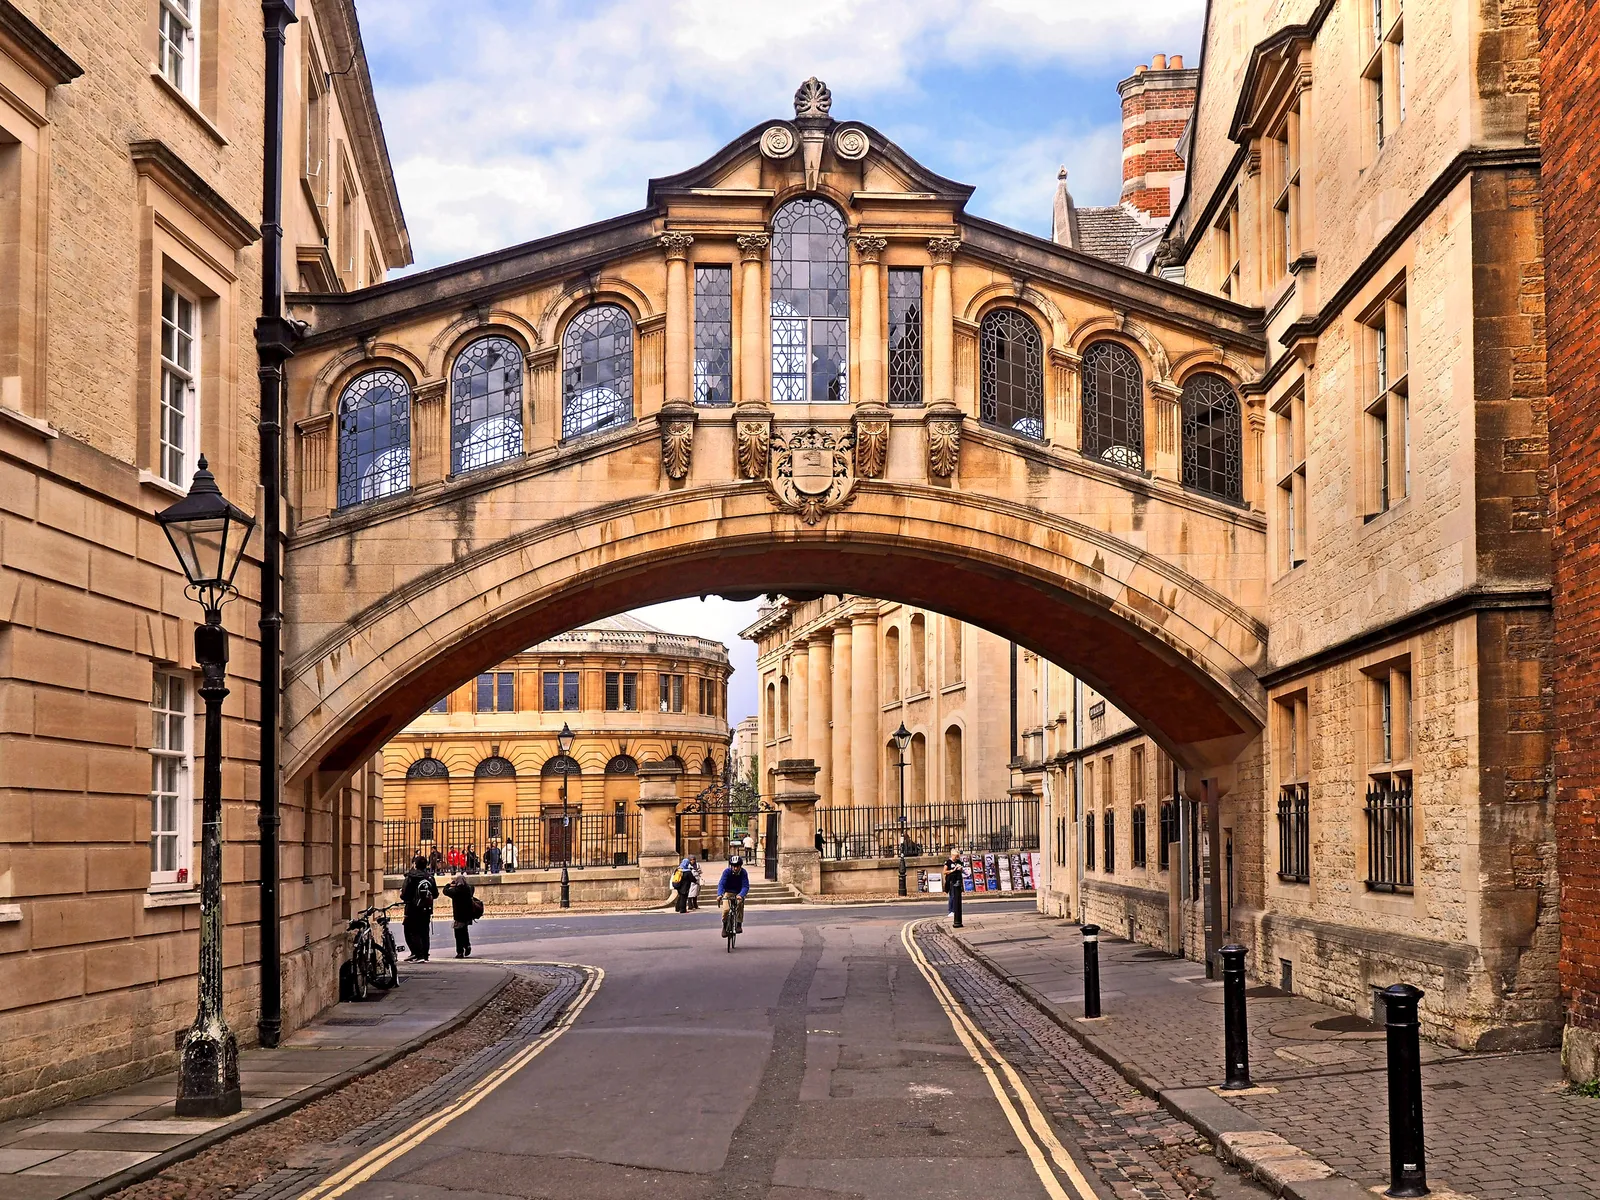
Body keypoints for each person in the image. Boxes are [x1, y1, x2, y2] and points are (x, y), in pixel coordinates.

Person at [399, 855, 436, 962]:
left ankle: (417, 953)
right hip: (426, 908)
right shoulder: (430, 878)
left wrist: (402, 894)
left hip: (412, 908)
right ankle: (425, 954)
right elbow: (435, 894)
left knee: (411, 930)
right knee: (424, 931)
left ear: (415, 864)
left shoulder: (410, 877)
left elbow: (405, 895)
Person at [443, 874, 477, 958]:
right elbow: (471, 886)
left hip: (459, 916)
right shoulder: (469, 889)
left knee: (458, 934)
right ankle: (467, 945)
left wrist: (449, 885)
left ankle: (460, 951)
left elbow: (445, 891)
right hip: (467, 915)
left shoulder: (456, 891)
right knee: (465, 932)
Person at [717, 855, 751, 935]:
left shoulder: (743, 872)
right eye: (734, 866)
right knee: (726, 909)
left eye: (737, 866)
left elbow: (745, 886)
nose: (735, 868)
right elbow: (721, 883)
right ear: (731, 866)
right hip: (728, 892)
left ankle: (739, 924)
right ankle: (724, 926)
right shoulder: (727, 872)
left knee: (739, 905)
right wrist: (720, 894)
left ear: (740, 866)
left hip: (739, 892)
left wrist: (741, 895)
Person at [943, 849, 966, 929]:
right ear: (952, 855)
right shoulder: (948, 862)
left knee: (957, 897)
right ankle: (951, 911)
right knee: (952, 896)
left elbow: (963, 870)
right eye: (955, 856)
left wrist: (960, 869)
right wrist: (952, 870)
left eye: (957, 857)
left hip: (958, 880)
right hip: (951, 881)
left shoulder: (958, 862)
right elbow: (944, 872)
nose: (956, 858)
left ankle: (956, 910)